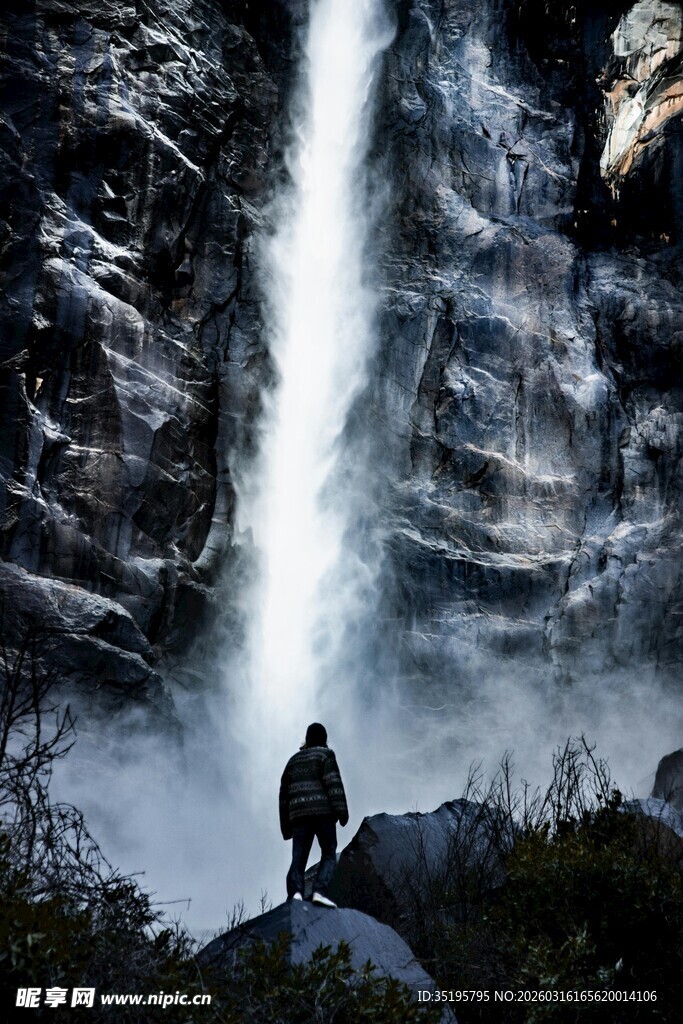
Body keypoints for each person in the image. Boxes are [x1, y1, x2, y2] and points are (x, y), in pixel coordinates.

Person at [279, 722, 349, 908]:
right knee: (328, 853)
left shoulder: (293, 761)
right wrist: (342, 813)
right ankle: (319, 892)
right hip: (322, 814)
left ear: (307, 739)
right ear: (324, 739)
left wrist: (286, 827)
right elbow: (333, 784)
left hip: (299, 817)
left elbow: (283, 796)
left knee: (298, 859)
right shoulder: (325, 755)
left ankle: (295, 895)